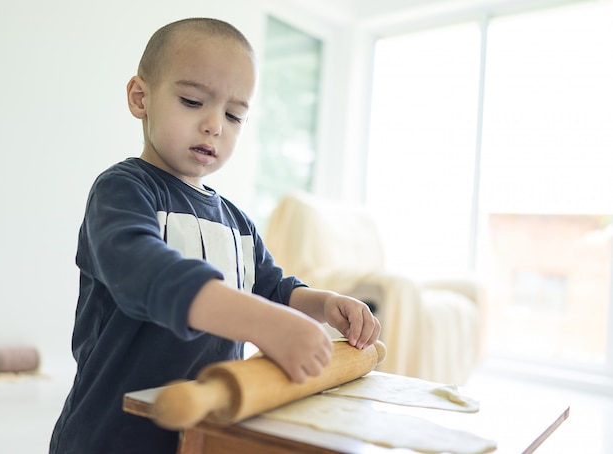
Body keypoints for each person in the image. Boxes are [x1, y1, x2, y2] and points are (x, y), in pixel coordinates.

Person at [49, 17, 381, 454]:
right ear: (140, 97)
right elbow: (145, 272)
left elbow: (271, 288)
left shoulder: (237, 221)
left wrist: (323, 305)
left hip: (205, 428)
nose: (214, 125)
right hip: (113, 433)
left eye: (234, 114)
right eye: (192, 101)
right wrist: (264, 324)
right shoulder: (124, 190)